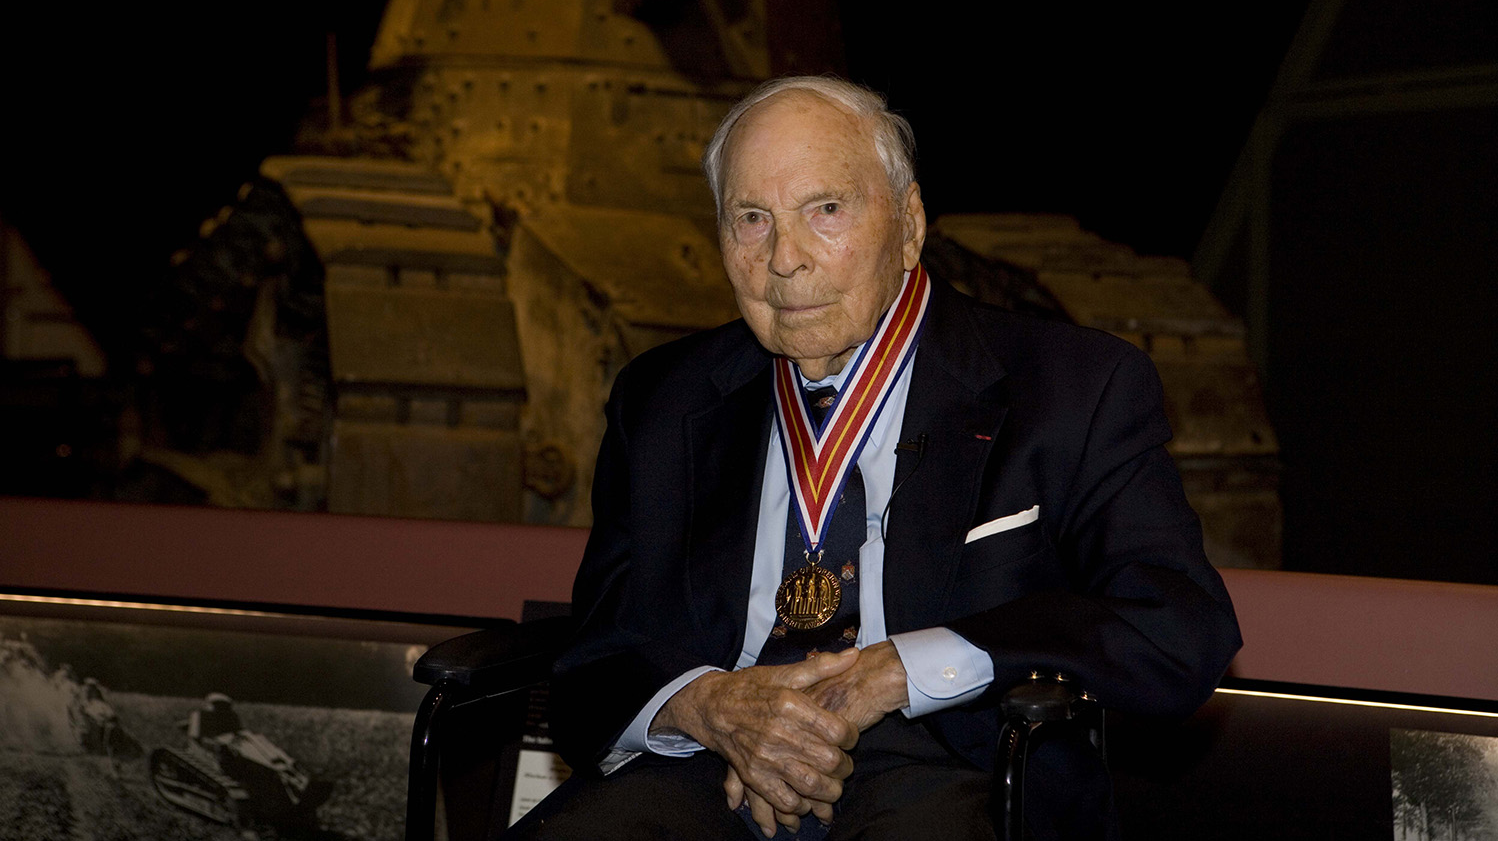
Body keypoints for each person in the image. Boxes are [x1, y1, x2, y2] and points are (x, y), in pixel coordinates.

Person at [513, 76, 1241, 839]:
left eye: (825, 210)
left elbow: (1179, 630)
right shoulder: (663, 398)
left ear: (911, 222)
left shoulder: (1071, 388)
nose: (785, 259)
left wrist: (904, 669)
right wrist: (704, 705)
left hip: (953, 765)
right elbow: (592, 662)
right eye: (752, 219)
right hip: (710, 764)